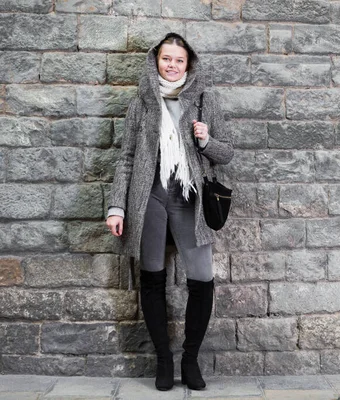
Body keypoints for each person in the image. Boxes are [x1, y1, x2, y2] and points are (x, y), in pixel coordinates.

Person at [106, 32, 233, 391]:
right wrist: (117, 206)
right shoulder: (141, 104)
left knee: (201, 278)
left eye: (179, 60)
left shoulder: (206, 100)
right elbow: (127, 159)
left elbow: (228, 153)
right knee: (152, 276)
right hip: (149, 199)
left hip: (190, 200)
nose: (172, 65)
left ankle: (190, 360)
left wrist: (206, 140)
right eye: (166, 59)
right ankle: (163, 361)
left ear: (188, 63)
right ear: (156, 61)